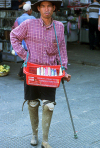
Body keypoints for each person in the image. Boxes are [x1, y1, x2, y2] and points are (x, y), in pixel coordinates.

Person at [10, 0, 71, 147]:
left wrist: (63, 70)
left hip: (50, 72)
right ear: (38, 8)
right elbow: (13, 36)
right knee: (32, 103)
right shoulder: (29, 24)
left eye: (49, 5)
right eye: (43, 6)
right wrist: (25, 56)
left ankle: (45, 140)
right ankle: (34, 134)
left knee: (49, 106)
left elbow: (62, 49)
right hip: (32, 71)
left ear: (54, 7)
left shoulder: (59, 27)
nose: (46, 9)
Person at [11, 3, 36, 78]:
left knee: (26, 57)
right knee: (28, 58)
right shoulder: (33, 18)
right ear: (29, 10)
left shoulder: (18, 19)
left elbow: (14, 30)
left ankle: (21, 73)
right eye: (31, 10)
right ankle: (25, 75)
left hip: (22, 42)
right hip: (30, 42)